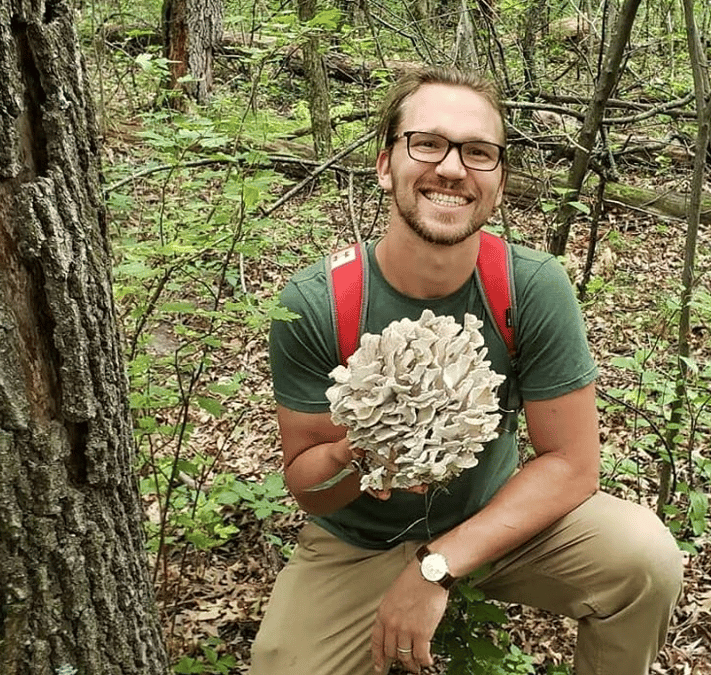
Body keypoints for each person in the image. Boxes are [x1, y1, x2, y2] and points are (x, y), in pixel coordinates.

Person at [256, 66, 683, 675]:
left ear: (499, 182)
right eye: (427, 143)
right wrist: (361, 451)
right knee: (281, 667)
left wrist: (437, 565)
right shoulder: (316, 303)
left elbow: (571, 464)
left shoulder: (529, 287)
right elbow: (306, 485)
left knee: (645, 559)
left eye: (478, 152)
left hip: (494, 520)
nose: (452, 169)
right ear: (385, 165)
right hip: (359, 543)